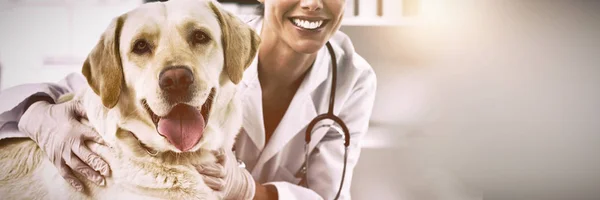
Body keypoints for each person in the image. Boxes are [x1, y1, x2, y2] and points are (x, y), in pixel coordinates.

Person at [0, 0, 376, 199]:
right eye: (143, 48)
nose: (311, 2)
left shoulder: (354, 78)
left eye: (198, 39)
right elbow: (92, 88)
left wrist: (248, 191)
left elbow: (328, 198)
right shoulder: (226, 36)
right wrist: (37, 116)